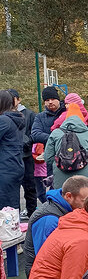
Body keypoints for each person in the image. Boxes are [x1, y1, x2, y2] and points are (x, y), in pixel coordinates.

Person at [44, 101, 88, 191]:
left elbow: (48, 158)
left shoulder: (56, 133)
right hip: (85, 180)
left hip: (62, 181)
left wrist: (62, 161)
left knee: (63, 201)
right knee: (87, 201)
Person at [8, 89, 36, 217]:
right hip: (11, 157)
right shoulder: (4, 115)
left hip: (26, 156)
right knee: (12, 188)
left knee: (30, 186)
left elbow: (33, 133)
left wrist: (25, 142)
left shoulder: (29, 114)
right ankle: (15, 214)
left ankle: (32, 212)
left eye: (13, 98)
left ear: (19, 100)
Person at [31, 86, 66, 178]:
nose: (50, 102)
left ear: (58, 99)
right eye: (47, 100)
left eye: (53, 99)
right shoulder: (40, 117)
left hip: (70, 154)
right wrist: (55, 138)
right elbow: (35, 134)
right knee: (54, 185)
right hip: (51, 157)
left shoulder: (68, 113)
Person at [0, 89, 25, 210]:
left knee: (5, 209)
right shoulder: (15, 119)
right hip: (14, 166)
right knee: (12, 206)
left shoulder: (4, 120)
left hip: (5, 168)